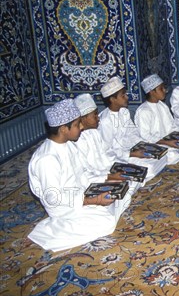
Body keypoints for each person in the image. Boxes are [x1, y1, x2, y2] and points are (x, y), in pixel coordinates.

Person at [28, 99, 131, 252]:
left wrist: (107, 180)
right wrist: (94, 200)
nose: (81, 127)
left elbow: (83, 175)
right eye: (77, 124)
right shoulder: (47, 159)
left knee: (124, 194)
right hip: (64, 208)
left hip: (82, 194)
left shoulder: (69, 145)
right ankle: (52, 229)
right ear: (63, 129)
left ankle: (94, 211)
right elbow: (54, 197)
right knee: (107, 222)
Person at [97, 76, 167, 180]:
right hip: (119, 156)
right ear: (113, 99)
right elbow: (108, 151)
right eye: (123, 95)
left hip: (131, 149)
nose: (127, 97)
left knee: (162, 157)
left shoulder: (124, 112)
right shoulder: (105, 121)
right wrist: (131, 153)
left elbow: (133, 132)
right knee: (150, 168)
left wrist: (142, 145)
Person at [73, 93, 144, 190]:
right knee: (126, 184)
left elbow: (108, 153)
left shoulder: (95, 133)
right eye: (94, 115)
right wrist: (108, 177)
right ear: (83, 119)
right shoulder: (77, 141)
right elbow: (86, 172)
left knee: (135, 174)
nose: (98, 118)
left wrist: (120, 166)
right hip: (95, 179)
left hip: (106, 171)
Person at [135, 74, 179, 164]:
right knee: (173, 155)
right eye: (161, 89)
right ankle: (169, 157)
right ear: (151, 92)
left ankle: (168, 158)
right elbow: (145, 137)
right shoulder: (143, 111)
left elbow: (172, 125)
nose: (165, 91)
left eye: (164, 88)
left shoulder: (162, 106)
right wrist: (166, 142)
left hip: (169, 141)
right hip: (155, 144)